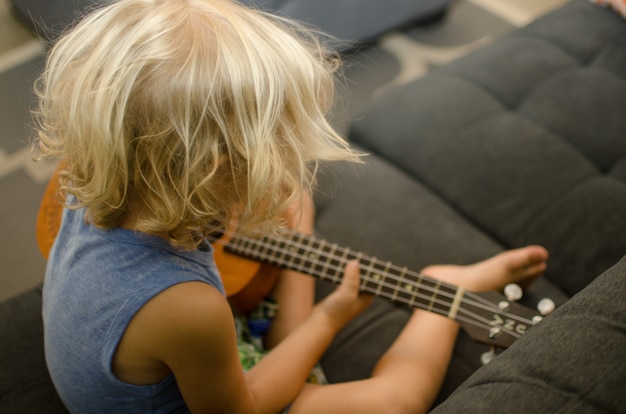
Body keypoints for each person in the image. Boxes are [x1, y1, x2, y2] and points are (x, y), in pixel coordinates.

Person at [34, 0, 549, 413]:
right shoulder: (187, 307)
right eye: (276, 148)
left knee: (295, 209)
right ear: (210, 172)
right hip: (224, 394)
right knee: (394, 400)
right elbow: (249, 405)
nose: (292, 161)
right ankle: (447, 287)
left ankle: (318, 279)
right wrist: (330, 316)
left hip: (182, 359)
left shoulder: (91, 175)